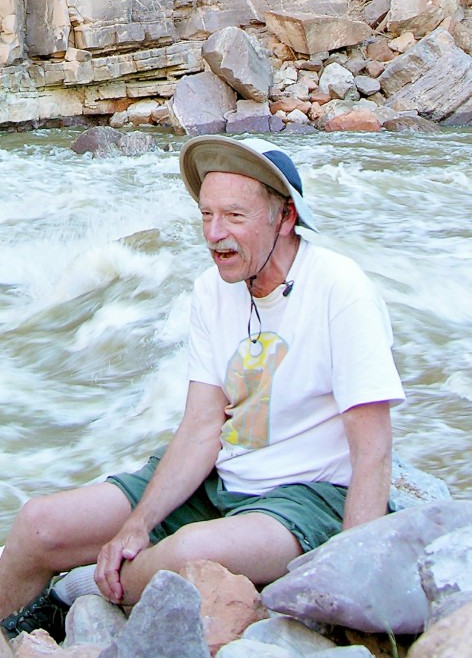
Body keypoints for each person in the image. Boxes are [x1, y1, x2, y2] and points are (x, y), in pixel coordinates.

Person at [0, 136, 405, 642]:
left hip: (306, 496)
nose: (215, 234)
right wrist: (138, 522)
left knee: (181, 557)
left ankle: (71, 601)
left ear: (285, 218)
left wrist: (354, 575)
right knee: (38, 525)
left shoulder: (340, 289)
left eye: (235, 216)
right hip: (221, 479)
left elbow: (373, 451)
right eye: (206, 214)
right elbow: (200, 427)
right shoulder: (211, 290)